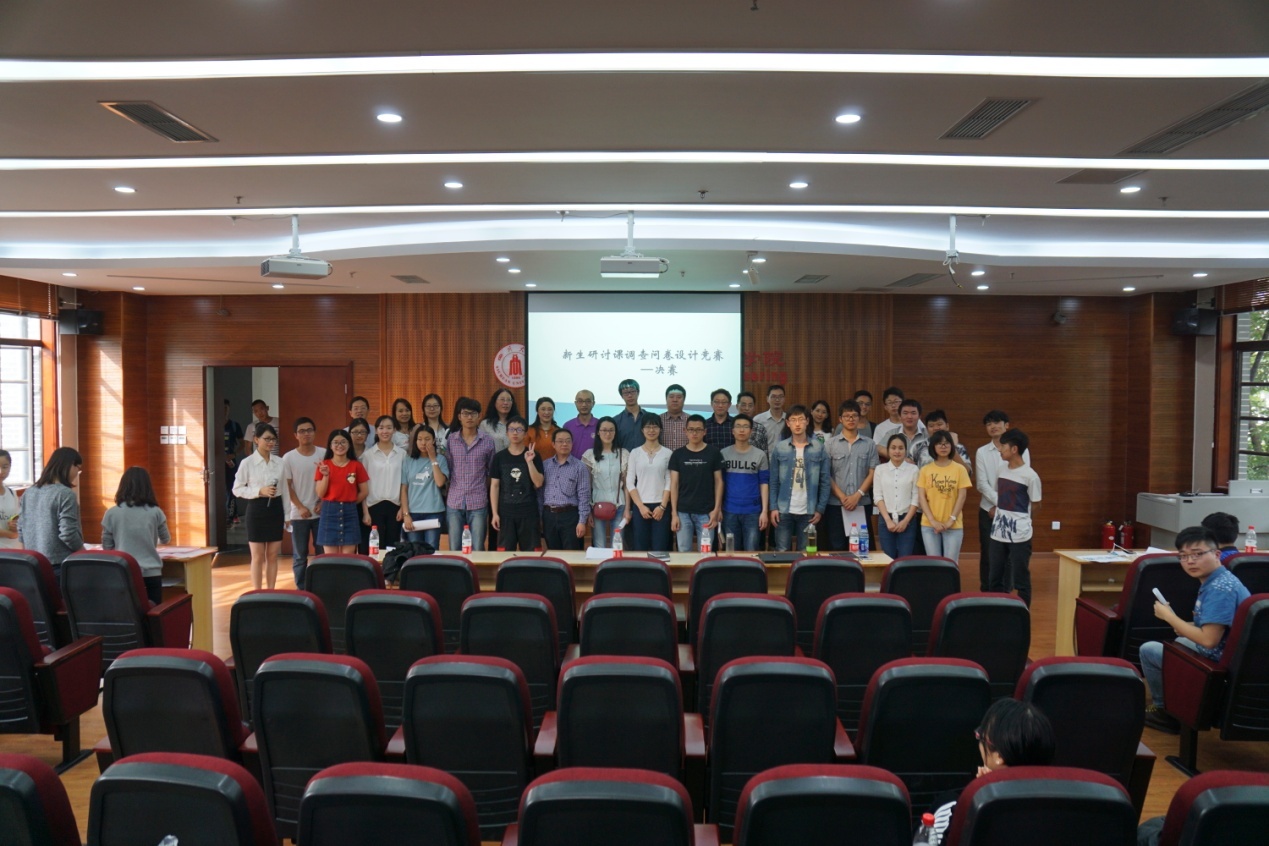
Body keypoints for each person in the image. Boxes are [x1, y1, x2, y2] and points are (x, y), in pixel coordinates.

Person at [1139, 525, 1252, 734]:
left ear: (1217, 554)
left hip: (1220, 665)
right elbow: (1218, 627)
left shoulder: (1219, 589)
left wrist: (1170, 617)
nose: (1190, 561)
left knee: (1148, 650)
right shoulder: (1220, 580)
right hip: (1231, 655)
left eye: (1197, 554)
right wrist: (1185, 626)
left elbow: (1209, 640)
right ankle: (1180, 705)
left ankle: (1165, 712)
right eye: (1183, 556)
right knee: (1180, 642)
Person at [929, 699, 1056, 840]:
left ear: (999, 756)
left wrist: (975, 798)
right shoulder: (1062, 810)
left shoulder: (955, 808)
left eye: (981, 735)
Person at [975, 410, 1031, 591]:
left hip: (1012, 510)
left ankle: (1006, 591)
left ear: (1006, 425)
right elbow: (981, 484)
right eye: (989, 423)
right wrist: (998, 504)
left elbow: (1022, 479)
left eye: (997, 422)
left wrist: (1003, 507)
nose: (993, 426)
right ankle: (987, 590)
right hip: (988, 510)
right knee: (988, 553)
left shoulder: (1021, 449)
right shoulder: (982, 452)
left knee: (1010, 554)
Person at [101, 466, 171, 605]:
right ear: (148, 487)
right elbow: (166, 539)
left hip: (123, 571)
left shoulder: (111, 513)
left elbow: (107, 546)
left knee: (127, 611)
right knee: (153, 611)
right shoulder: (155, 512)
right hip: (151, 573)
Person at [989, 428, 1042, 606]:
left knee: (1021, 576)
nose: (1000, 449)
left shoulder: (1030, 476)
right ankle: (996, 609)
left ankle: (1022, 611)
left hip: (1020, 534)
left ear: (1014, 449)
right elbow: (1000, 495)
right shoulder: (1001, 470)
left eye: (1003, 446)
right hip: (998, 532)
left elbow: (1036, 504)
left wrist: (1022, 520)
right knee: (995, 576)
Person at [768, 405, 831, 552]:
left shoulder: (818, 447)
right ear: (787, 423)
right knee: (782, 552)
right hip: (783, 509)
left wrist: (820, 509)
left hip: (809, 510)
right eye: (793, 420)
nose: (797, 424)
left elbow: (825, 481)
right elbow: (773, 481)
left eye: (801, 419)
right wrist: (773, 507)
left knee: (806, 553)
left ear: (807, 421)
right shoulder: (780, 448)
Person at [233, 423, 288, 590]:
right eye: (267, 439)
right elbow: (237, 489)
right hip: (256, 509)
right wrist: (259, 491)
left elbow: (285, 490)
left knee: (272, 555)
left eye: (273, 439)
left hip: (276, 508)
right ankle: (257, 592)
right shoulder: (247, 463)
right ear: (256, 440)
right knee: (257, 556)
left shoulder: (280, 462)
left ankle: (271, 590)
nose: (271, 442)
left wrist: (288, 515)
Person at [18, 446, 85, 577]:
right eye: (78, 468)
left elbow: (21, 529)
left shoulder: (29, 492)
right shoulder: (65, 494)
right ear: (71, 465)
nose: (77, 473)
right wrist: (83, 553)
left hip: (33, 563)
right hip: (60, 564)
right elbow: (68, 533)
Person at [826, 399, 877, 552]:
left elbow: (873, 472)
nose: (851, 419)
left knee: (860, 548)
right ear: (840, 419)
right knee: (837, 547)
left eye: (854, 415)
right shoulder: (830, 444)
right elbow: (826, 474)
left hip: (861, 503)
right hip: (836, 504)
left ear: (859, 418)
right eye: (847, 416)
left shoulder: (869, 444)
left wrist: (857, 495)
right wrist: (842, 497)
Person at [446, 396, 496, 550]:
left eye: (473, 414)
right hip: (455, 501)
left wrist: (481, 488)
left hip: (478, 501)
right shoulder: (451, 440)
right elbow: (449, 469)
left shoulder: (487, 441)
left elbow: (491, 472)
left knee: (478, 547)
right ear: (459, 416)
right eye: (465, 414)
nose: (469, 417)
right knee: (454, 548)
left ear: (479, 416)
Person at [670, 414, 725, 552]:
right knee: (683, 551)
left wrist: (717, 509)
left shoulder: (714, 453)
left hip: (707, 512)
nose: (694, 433)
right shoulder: (677, 454)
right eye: (691, 429)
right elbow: (674, 485)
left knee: (706, 552)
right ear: (685, 431)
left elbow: (719, 482)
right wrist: (674, 513)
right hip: (683, 511)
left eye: (699, 430)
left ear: (705, 431)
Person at [488, 415, 544, 551]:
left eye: (519, 430)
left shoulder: (534, 455)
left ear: (525, 434)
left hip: (529, 513)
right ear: (507, 433)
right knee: (505, 554)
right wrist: (495, 513)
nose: (515, 433)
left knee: (532, 555)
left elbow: (538, 483)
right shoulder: (499, 457)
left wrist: (529, 462)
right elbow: (494, 486)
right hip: (506, 514)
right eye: (511, 429)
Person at [917, 430, 973, 562]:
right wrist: (933, 521)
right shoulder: (925, 470)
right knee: (934, 564)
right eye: (939, 443)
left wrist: (951, 520)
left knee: (951, 564)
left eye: (947, 443)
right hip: (929, 525)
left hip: (953, 525)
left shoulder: (960, 469)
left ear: (952, 446)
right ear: (933, 446)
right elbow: (922, 497)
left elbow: (962, 497)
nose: (943, 447)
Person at [282, 417, 324, 588]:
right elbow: (286, 486)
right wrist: (299, 506)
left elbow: (330, 482)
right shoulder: (289, 457)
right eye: (302, 431)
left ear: (314, 432)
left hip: (320, 513)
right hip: (298, 514)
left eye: (309, 430)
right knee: (300, 555)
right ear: (296, 435)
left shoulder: (324, 453)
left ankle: (320, 586)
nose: (306, 434)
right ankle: (301, 588)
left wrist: (322, 502)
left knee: (321, 553)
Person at [315, 428, 369, 554]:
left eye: (343, 442)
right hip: (329, 512)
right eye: (336, 442)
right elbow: (320, 493)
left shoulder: (356, 465)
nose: (340, 445)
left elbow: (364, 491)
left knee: (348, 558)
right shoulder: (324, 465)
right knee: (330, 558)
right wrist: (326, 475)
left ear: (349, 444)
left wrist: (350, 502)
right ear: (330, 446)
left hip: (350, 512)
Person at [720, 414, 769, 551]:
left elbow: (764, 483)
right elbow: (720, 483)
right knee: (731, 552)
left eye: (746, 427)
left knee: (751, 551)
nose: (742, 430)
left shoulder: (760, 455)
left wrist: (764, 511)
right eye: (738, 426)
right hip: (729, 510)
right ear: (733, 431)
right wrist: (718, 509)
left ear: (751, 431)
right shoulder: (723, 453)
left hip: (753, 511)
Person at [626, 413, 673, 552]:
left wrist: (662, 506)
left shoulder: (667, 453)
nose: (651, 430)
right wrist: (640, 506)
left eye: (655, 427)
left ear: (660, 429)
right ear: (642, 430)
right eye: (648, 427)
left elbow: (669, 481)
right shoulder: (635, 453)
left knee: (660, 547)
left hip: (661, 506)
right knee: (640, 547)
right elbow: (630, 481)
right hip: (641, 506)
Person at [541, 428, 591, 550]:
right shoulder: (545, 465)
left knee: (572, 555)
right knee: (553, 554)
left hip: (570, 517)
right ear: (553, 444)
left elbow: (584, 496)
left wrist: (582, 521)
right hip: (549, 516)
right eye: (560, 441)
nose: (564, 444)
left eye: (568, 441)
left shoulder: (580, 467)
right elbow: (539, 494)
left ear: (572, 444)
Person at [582, 416, 628, 548]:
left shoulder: (623, 454)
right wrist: (588, 511)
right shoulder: (589, 455)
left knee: (617, 545)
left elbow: (627, 485)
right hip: (597, 505)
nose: (608, 434)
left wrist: (627, 509)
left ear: (615, 432)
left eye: (611, 430)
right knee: (599, 545)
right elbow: (586, 486)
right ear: (598, 432)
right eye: (604, 430)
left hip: (619, 504)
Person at [401, 424, 449, 551]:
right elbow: (404, 489)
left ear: (433, 440)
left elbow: (440, 482)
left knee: (431, 549)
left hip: (434, 511)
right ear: (415, 441)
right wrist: (406, 514)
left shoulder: (441, 459)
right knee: (415, 550)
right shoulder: (408, 460)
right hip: (413, 512)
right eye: (420, 439)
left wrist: (433, 458)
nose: (423, 443)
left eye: (427, 439)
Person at [362, 415, 406, 550]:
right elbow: (363, 485)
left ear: (394, 430)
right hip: (373, 506)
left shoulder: (402, 454)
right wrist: (365, 512)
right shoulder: (368, 455)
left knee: (393, 547)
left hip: (395, 506)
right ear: (376, 430)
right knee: (375, 547)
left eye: (389, 428)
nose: (385, 431)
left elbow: (405, 484)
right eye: (381, 428)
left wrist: (403, 508)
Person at [874, 434, 920, 558]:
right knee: (888, 558)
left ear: (906, 450)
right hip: (885, 519)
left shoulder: (914, 469)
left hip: (907, 519)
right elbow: (877, 496)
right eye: (893, 448)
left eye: (901, 448)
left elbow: (916, 498)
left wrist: (906, 521)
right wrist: (888, 520)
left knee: (905, 559)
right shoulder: (880, 469)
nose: (897, 451)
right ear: (888, 450)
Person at [913, 410, 973, 476]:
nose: (936, 428)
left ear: (947, 426)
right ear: (927, 429)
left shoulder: (959, 447)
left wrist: (953, 448)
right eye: (931, 426)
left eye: (939, 424)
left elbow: (968, 472)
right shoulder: (917, 447)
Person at [873, 386, 925, 456]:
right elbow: (877, 448)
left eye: (896, 402)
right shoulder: (881, 428)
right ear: (885, 406)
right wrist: (900, 458)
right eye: (890, 402)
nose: (893, 405)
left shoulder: (916, 421)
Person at [223, 400, 244, 523]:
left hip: (230, 462)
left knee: (231, 488)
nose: (224, 410)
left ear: (229, 409)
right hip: (215, 462)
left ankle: (231, 515)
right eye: (222, 408)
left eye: (226, 408)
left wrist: (234, 454)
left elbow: (242, 444)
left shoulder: (235, 425)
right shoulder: (212, 424)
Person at [564, 389, 599, 457]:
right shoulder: (568, 426)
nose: (584, 405)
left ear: (593, 403)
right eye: (580, 401)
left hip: (595, 464)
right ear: (575, 403)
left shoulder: (600, 425)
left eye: (588, 401)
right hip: (571, 463)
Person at [614, 378, 646, 450]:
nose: (630, 395)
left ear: (638, 392)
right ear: (621, 396)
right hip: (624, 457)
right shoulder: (616, 421)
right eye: (626, 393)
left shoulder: (649, 418)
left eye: (632, 391)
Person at [752, 384, 787, 448]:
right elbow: (754, 443)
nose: (777, 400)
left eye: (780, 397)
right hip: (764, 454)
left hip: (784, 454)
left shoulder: (789, 419)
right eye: (773, 397)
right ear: (767, 399)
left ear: (784, 399)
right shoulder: (758, 420)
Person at [0, 450, 20, 549]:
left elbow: (18, 517)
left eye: (5, 467)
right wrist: (10, 534)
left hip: (14, 549)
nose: (1, 472)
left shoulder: (12, 493)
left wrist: (16, 525)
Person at [660, 384, 689, 451]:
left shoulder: (691, 421)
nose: (675, 400)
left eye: (679, 397)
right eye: (671, 397)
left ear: (684, 400)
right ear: (666, 399)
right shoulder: (658, 420)